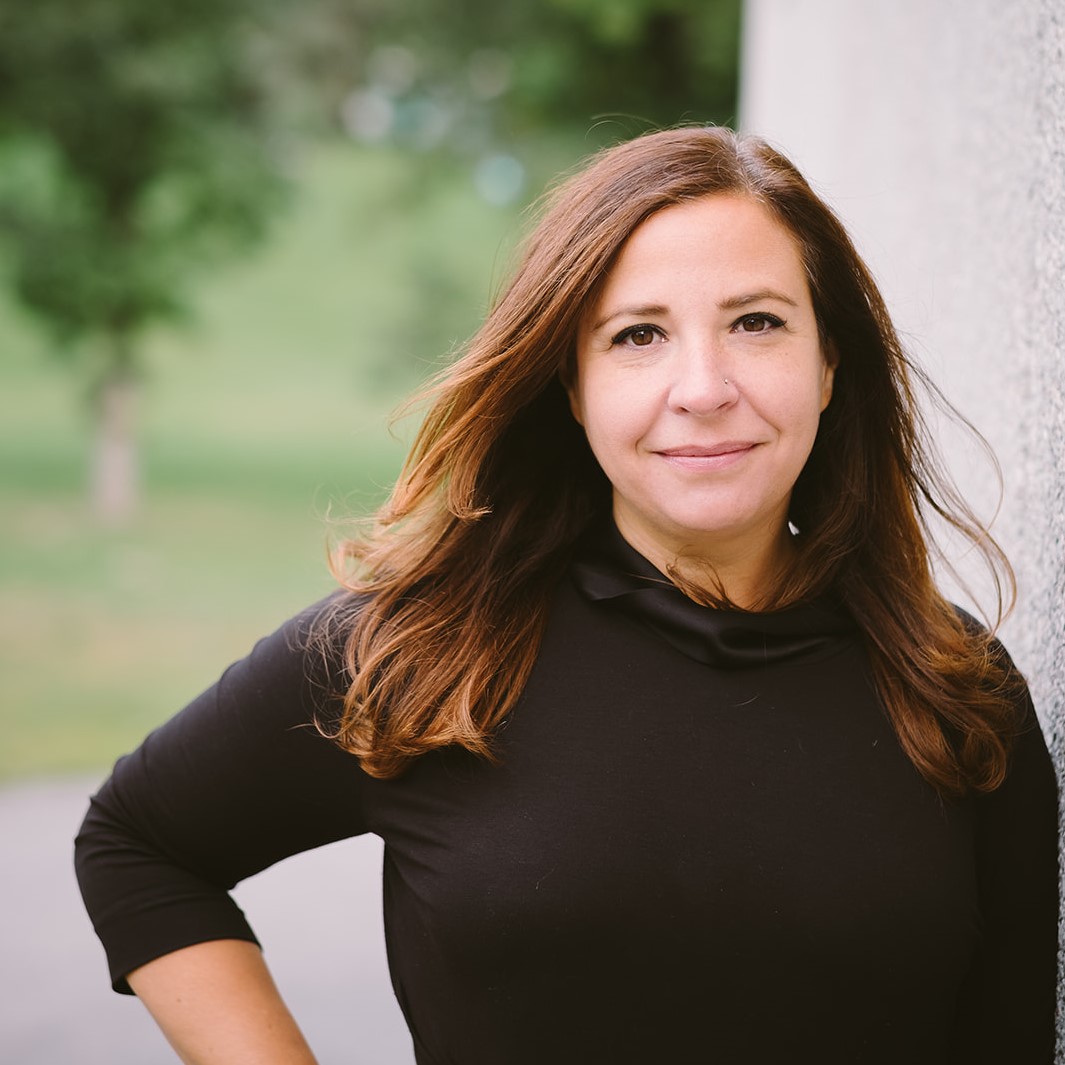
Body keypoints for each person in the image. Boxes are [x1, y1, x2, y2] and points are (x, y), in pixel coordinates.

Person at [75, 126, 1059, 1065]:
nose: (704, 387)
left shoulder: (953, 689)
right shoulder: (427, 651)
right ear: (573, 386)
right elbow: (139, 843)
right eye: (638, 336)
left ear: (831, 361)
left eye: (757, 323)